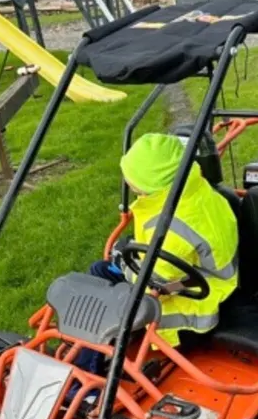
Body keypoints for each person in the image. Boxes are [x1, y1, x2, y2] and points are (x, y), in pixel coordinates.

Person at [76, 132, 238, 375]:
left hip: (190, 309)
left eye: (131, 177)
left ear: (151, 181)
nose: (127, 181)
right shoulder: (195, 193)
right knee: (101, 270)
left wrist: (124, 261)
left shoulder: (175, 227)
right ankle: (99, 345)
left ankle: (83, 377)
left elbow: (153, 285)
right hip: (197, 279)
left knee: (106, 296)